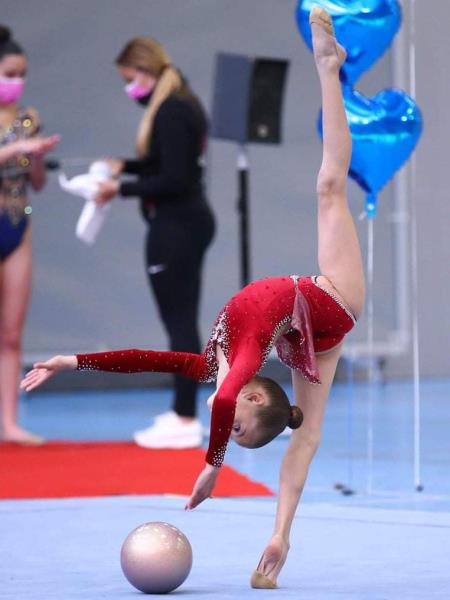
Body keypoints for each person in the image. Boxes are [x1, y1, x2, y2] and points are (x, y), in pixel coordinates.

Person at [21, 7, 364, 587]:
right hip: (337, 301)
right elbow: (227, 398)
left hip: (307, 333)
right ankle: (328, 68)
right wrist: (213, 465)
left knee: (306, 439)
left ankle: (282, 535)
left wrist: (70, 360)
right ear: (255, 398)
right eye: (240, 428)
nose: (228, 427)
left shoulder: (216, 363)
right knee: (329, 188)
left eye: (232, 437)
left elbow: (146, 360)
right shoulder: (246, 360)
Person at [93, 37, 215, 450]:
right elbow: (166, 163)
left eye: (130, 80)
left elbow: (175, 179)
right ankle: (183, 409)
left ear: (145, 71)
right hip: (183, 221)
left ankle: (185, 417)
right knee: (180, 320)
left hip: (178, 224)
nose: (130, 90)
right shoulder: (176, 103)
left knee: (179, 321)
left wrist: (120, 189)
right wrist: (125, 167)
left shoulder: (173, 109)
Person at [0, 25, 60, 444]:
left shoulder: (29, 119)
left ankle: (9, 421)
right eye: (8, 74)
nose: (16, 83)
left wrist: (36, 156)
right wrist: (12, 151)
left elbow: (36, 183)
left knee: (12, 332)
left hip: (18, 224)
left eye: (21, 74)